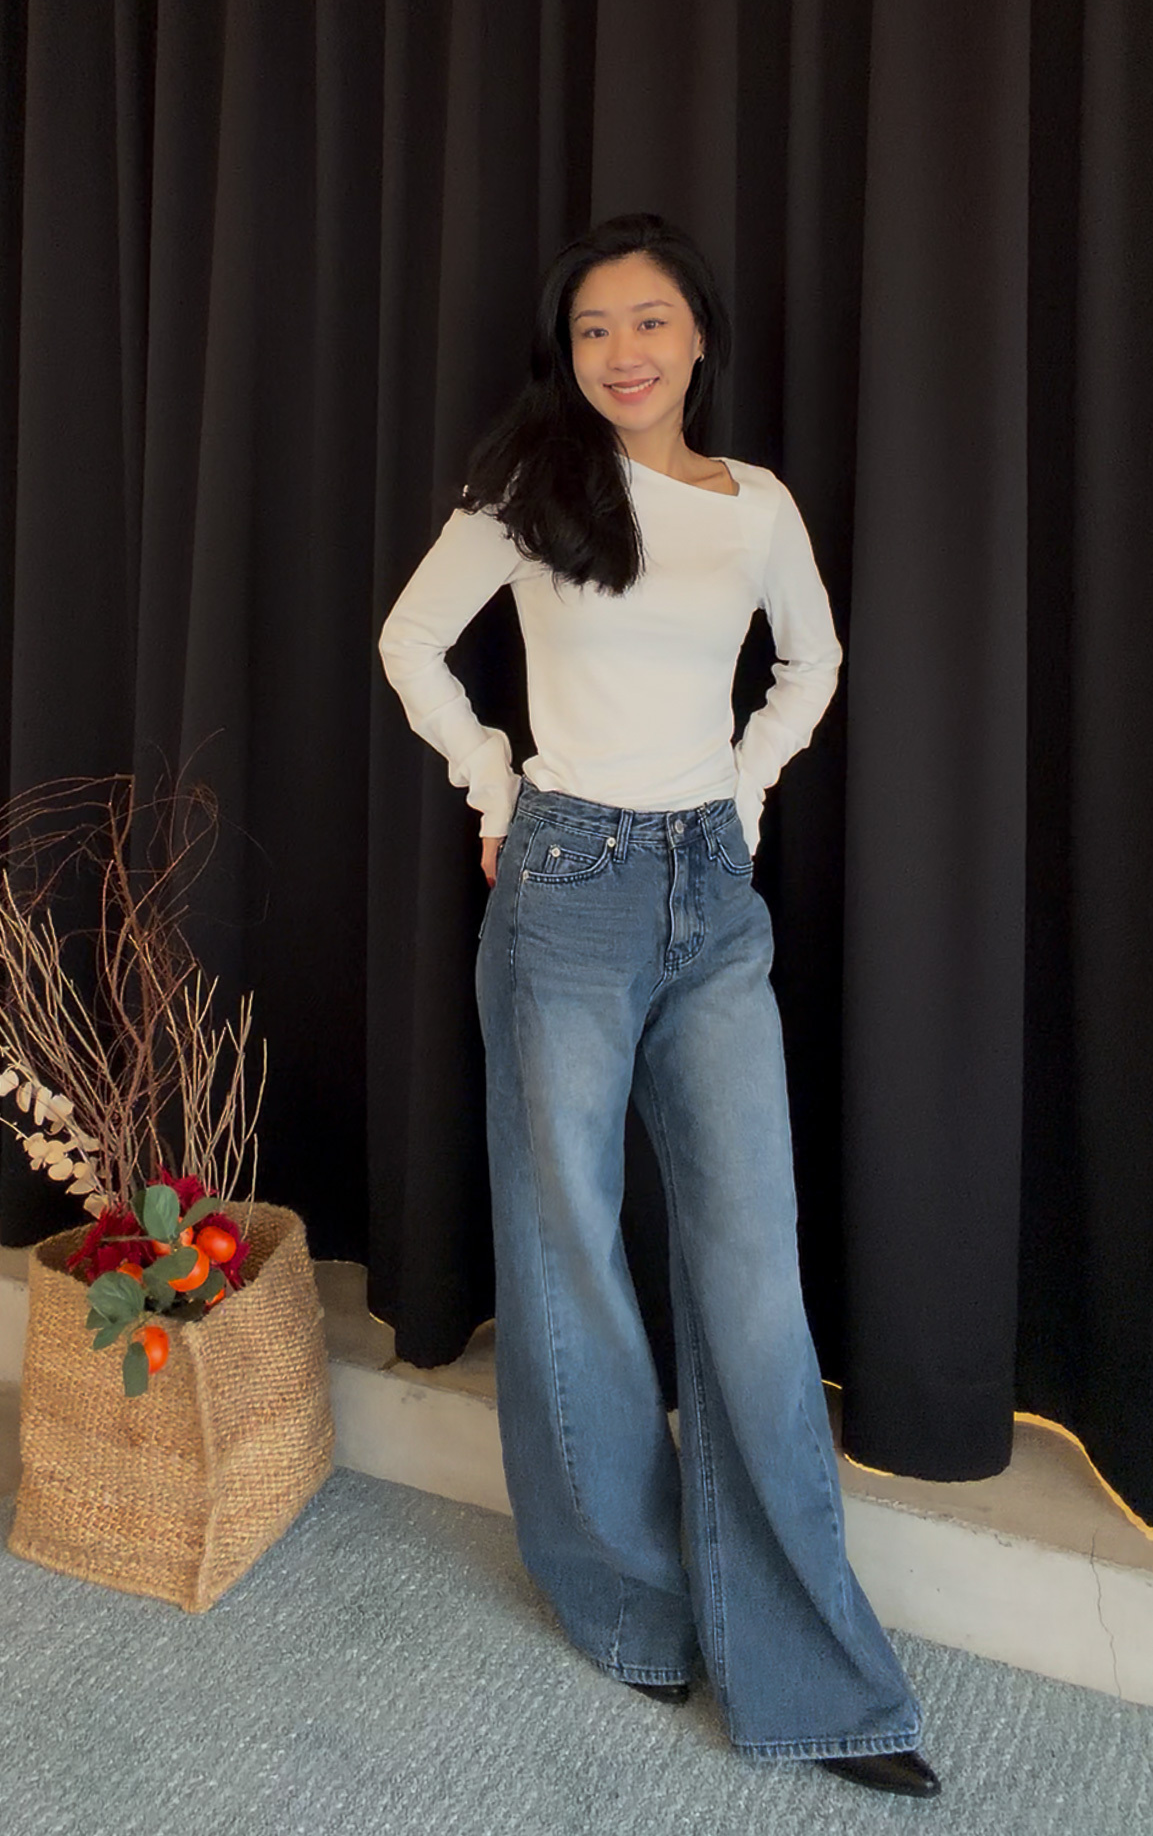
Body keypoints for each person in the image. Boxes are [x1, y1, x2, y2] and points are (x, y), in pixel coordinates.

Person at [377, 213, 940, 1800]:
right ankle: (627, 1603)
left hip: (711, 896)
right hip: (566, 887)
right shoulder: (528, 486)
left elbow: (810, 665)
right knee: (570, 1252)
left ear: (697, 337)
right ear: (566, 356)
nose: (620, 353)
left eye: (646, 322)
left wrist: (743, 797)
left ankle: (812, 1669)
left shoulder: (753, 507)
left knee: (750, 1268)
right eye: (591, 330)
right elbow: (411, 642)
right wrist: (493, 783)